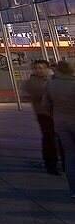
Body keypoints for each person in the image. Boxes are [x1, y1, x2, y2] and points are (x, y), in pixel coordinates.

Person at [42, 60, 75, 197]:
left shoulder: (50, 84)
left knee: (69, 155)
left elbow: (45, 105)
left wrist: (55, 115)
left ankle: (73, 189)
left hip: (60, 122)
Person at [23, 60, 62, 175]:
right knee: (49, 137)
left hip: (58, 113)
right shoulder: (32, 82)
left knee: (61, 138)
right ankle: (51, 164)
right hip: (43, 113)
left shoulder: (53, 80)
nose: (40, 70)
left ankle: (64, 162)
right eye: (37, 68)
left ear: (46, 68)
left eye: (42, 67)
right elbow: (40, 94)